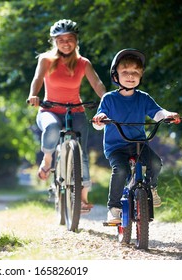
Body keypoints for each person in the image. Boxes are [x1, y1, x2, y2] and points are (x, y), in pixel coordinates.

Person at [92, 48, 180, 223]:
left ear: (140, 76)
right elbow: (98, 123)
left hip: (139, 143)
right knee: (121, 170)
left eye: (135, 72)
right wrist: (99, 120)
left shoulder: (143, 98)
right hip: (116, 146)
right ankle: (114, 207)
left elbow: (158, 113)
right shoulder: (109, 99)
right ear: (115, 75)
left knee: (155, 163)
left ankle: (151, 188)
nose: (130, 76)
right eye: (125, 71)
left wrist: (169, 115)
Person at [27, 19, 106, 210]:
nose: (65, 42)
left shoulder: (83, 63)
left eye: (70, 38)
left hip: (75, 110)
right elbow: (37, 79)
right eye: (61, 39)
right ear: (54, 41)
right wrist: (33, 95)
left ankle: (83, 198)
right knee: (53, 128)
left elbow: (97, 83)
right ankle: (47, 160)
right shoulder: (46, 60)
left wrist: (106, 100)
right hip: (49, 109)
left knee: (82, 152)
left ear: (76, 41)